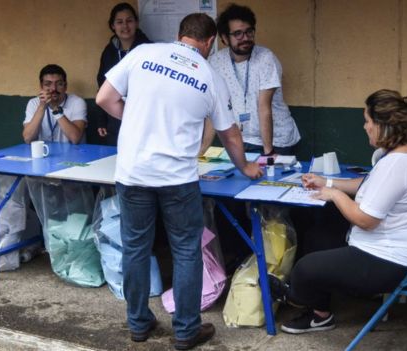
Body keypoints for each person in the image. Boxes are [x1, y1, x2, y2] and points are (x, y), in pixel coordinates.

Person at [96, 13, 262, 350]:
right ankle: (186, 331)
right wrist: (245, 168)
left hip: (133, 175)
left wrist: (140, 119)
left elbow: (104, 99)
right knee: (187, 251)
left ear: (179, 34)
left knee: (136, 249)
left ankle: (139, 323)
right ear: (210, 41)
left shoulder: (143, 54)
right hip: (178, 181)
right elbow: (230, 136)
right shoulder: (210, 76)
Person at [269, 89, 407, 334]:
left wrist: (336, 196)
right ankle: (320, 316)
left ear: (383, 126)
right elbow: (371, 186)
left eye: (368, 121)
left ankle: (293, 297)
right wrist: (327, 183)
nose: (365, 127)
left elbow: (365, 220)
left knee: (306, 269)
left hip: (396, 260)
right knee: (319, 237)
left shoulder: (397, 164)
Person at [202, 3, 300, 156]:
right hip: (241, 139)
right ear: (224, 38)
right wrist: (201, 152)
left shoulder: (265, 58)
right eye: (238, 34)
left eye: (249, 32)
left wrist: (268, 152)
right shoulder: (215, 62)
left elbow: (264, 106)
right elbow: (214, 109)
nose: (245, 38)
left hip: (277, 141)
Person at [96, 2, 151, 146]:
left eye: (129, 21)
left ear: (136, 23)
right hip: (114, 116)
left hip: (142, 115)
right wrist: (102, 119)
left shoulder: (149, 49)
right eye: (119, 22)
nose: (125, 26)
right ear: (113, 26)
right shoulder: (108, 52)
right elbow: (102, 84)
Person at [23, 64, 87, 144]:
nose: (53, 88)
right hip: (44, 153)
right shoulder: (33, 103)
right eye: (48, 84)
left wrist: (55, 108)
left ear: (65, 86)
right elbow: (28, 139)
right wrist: (42, 106)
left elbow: (75, 138)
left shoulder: (77, 102)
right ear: (41, 86)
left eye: (59, 84)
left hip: (73, 154)